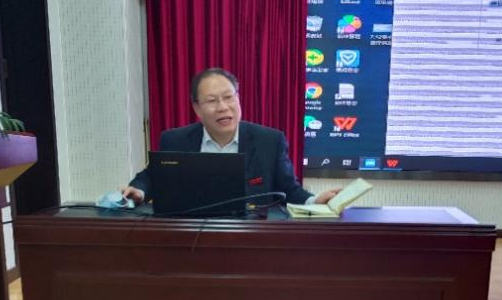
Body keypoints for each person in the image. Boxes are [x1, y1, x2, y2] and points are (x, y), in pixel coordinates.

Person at [122, 68, 340, 207]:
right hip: (190, 238)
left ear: (238, 99)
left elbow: (288, 190)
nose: (223, 107)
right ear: (197, 108)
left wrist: (315, 201)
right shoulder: (175, 140)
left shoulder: (269, 141)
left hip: (250, 241)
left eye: (228, 97)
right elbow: (152, 177)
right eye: (212, 101)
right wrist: (138, 190)